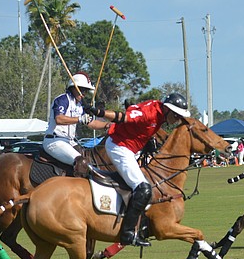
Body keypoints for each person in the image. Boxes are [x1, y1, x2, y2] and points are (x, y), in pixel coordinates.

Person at [103, 92, 191, 247]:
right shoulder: (150, 113)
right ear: (168, 109)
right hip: (120, 147)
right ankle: (128, 233)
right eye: (176, 115)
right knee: (143, 189)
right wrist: (99, 113)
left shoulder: (158, 111)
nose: (177, 119)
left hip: (130, 148)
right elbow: (122, 117)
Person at [42, 72, 110, 174]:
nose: (84, 93)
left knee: (91, 160)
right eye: (81, 90)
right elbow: (59, 119)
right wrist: (80, 119)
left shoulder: (79, 105)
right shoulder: (63, 99)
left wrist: (107, 125)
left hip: (70, 142)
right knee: (82, 163)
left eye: (86, 91)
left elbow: (91, 123)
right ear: (73, 87)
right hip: (55, 142)